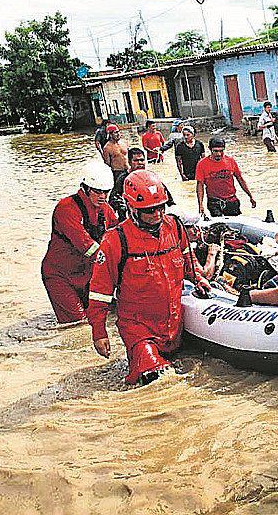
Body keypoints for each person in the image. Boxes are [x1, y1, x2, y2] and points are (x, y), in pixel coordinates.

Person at [87, 170, 211, 385]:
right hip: (139, 330)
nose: (156, 215)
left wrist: (199, 278)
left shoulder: (175, 227)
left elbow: (187, 261)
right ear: (132, 209)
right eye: (149, 210)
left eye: (160, 208)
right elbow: (100, 293)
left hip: (174, 326)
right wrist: (99, 333)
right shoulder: (116, 241)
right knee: (159, 382)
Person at [41, 162, 118, 325]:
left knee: (100, 316)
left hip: (86, 274)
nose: (103, 197)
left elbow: (117, 235)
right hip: (60, 276)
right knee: (78, 325)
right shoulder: (66, 208)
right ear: (85, 188)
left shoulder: (105, 209)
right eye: (98, 192)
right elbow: (87, 246)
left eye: (106, 192)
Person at [196, 136, 256, 217]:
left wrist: (250, 196)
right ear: (210, 150)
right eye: (215, 151)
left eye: (221, 151)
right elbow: (200, 185)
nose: (219, 154)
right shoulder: (202, 164)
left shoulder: (230, 161)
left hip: (231, 200)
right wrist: (200, 205)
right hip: (214, 202)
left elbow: (240, 179)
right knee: (220, 226)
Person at [109, 148, 176, 220]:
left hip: (152, 215)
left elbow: (166, 196)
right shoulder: (123, 179)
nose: (140, 163)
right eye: (136, 160)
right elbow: (113, 199)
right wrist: (122, 208)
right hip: (130, 216)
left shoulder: (151, 177)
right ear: (129, 162)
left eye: (142, 160)